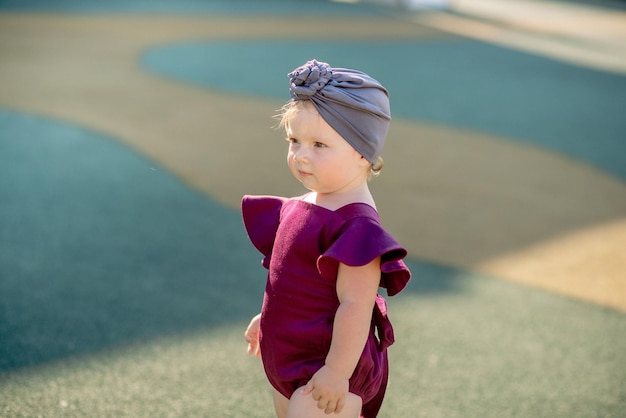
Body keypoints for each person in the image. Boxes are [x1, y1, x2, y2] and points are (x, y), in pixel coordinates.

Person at [242, 59, 411, 418]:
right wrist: (268, 317)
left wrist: (336, 372)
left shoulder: (356, 227)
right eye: (294, 140)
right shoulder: (302, 205)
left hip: (327, 366)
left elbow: (356, 305)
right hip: (289, 353)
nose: (302, 155)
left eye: (319, 144)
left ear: (363, 152)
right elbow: (290, 279)